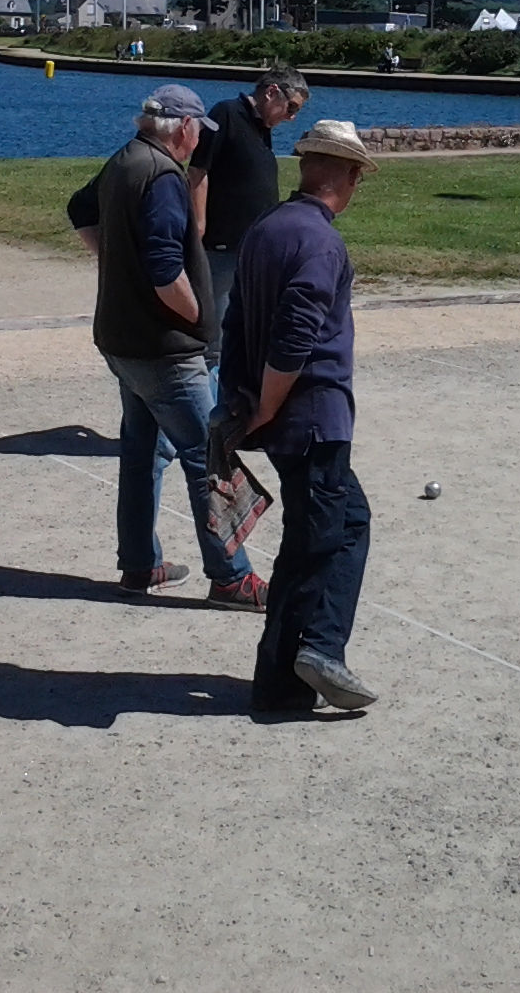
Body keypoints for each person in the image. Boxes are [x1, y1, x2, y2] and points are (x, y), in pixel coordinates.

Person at [67, 84, 268, 610]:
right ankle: (231, 578)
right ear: (182, 128)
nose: (200, 138)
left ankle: (139, 565)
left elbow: (78, 208)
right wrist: (201, 316)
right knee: (210, 460)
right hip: (162, 350)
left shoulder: (122, 161)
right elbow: (163, 271)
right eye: (198, 128)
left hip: (122, 341)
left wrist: (113, 263)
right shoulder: (160, 177)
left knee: (141, 453)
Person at [220, 119, 378, 713]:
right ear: (351, 176)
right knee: (314, 544)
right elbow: (293, 337)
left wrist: (239, 396)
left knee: (347, 521)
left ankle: (316, 651)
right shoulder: (320, 242)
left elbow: (235, 319)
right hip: (311, 417)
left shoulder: (268, 226)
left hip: (289, 417)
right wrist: (263, 403)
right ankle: (294, 671)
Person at [189, 65, 310, 362]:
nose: (291, 117)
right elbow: (197, 170)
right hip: (222, 244)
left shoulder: (261, 128)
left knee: (248, 329)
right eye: (291, 106)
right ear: (271, 92)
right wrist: (199, 224)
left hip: (253, 248)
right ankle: (209, 402)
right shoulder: (226, 114)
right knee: (214, 338)